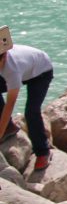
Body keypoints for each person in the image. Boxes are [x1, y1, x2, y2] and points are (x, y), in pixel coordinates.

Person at [0, 28, 55, 171]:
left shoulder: (12, 69)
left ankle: (43, 151)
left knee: (31, 111)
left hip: (41, 72)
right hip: (26, 69)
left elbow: (10, 105)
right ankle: (9, 128)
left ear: (4, 57)